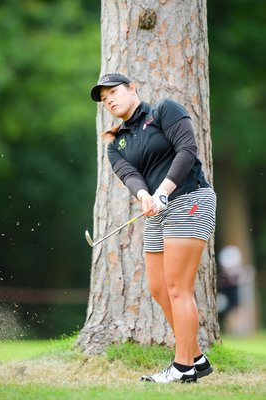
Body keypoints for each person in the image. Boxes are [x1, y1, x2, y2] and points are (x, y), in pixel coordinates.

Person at [90, 72, 216, 384]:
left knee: (178, 288)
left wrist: (163, 190)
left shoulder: (164, 110)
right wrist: (146, 195)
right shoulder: (115, 143)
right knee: (159, 289)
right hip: (156, 211)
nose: (110, 101)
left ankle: (183, 367)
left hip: (189, 199)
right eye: (105, 100)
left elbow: (187, 150)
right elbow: (129, 174)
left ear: (133, 88)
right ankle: (197, 358)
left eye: (114, 93)